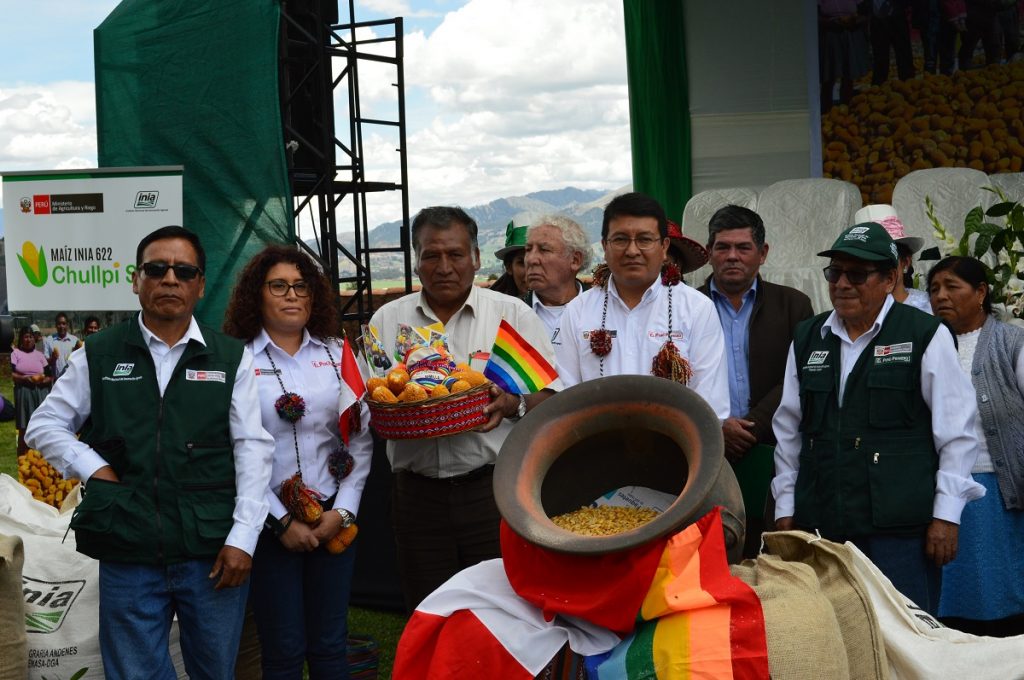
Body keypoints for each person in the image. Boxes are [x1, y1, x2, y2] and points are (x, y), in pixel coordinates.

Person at [26, 225, 275, 679]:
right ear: (136, 279)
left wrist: (243, 538)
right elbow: (44, 425)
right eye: (156, 269)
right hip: (129, 545)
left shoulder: (230, 357)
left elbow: (252, 449)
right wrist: (93, 466)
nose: (170, 279)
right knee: (134, 673)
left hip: (211, 549)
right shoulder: (99, 353)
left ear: (200, 285)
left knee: (215, 671)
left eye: (184, 271)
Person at [772, 222, 984, 615]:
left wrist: (946, 516)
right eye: (835, 273)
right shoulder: (808, 337)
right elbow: (788, 431)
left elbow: (957, 433)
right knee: (834, 631)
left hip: (900, 528)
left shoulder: (923, 333)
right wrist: (786, 507)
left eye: (857, 274)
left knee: (907, 633)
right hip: (823, 523)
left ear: (890, 279)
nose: (842, 284)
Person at [368, 206, 560, 611]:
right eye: (431, 256)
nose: (444, 267)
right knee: (430, 613)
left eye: (455, 254)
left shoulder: (511, 315)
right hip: (417, 498)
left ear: (475, 257)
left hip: (493, 493)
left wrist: (513, 403)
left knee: (504, 614)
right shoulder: (387, 320)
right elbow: (371, 396)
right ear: (416, 261)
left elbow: (550, 398)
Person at [224, 245, 373, 677]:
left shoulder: (337, 352)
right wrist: (281, 523)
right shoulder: (237, 359)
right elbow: (234, 450)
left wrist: (343, 511)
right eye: (278, 286)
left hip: (332, 518)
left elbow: (360, 438)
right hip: (270, 522)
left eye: (301, 286)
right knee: (283, 650)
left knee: (330, 646)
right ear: (257, 295)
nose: (291, 295)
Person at [696, 205, 814, 557]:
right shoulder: (687, 307)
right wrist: (717, 427)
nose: (732, 256)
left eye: (743, 247)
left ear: (762, 253)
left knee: (772, 553)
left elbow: (802, 372)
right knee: (710, 550)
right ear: (709, 252)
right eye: (722, 247)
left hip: (775, 449)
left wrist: (749, 427)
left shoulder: (793, 305)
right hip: (705, 450)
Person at [555, 192, 729, 420]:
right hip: (596, 439)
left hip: (675, 440)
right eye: (620, 239)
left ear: (664, 247)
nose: (632, 251)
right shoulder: (578, 311)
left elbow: (709, 405)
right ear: (605, 246)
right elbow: (565, 398)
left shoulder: (697, 309)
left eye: (645, 240)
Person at [928, 256, 1024, 636]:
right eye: (934, 289)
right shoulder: (925, 342)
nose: (941, 296)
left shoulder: (1011, 342)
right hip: (940, 492)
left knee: (1001, 599)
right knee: (946, 605)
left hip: (998, 492)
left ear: (981, 292)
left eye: (952, 287)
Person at [523, 215, 591, 343]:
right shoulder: (512, 314)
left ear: (575, 260)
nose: (531, 259)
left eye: (544, 250)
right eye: (528, 249)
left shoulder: (602, 310)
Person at [855, 204, 931, 313]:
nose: (874, 267)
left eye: (884, 257)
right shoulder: (851, 312)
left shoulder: (929, 308)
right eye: (864, 260)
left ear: (906, 262)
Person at [11, 326, 52, 456]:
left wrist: (42, 381)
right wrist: (25, 378)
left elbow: (50, 376)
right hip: (23, 392)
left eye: (30, 337)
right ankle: (22, 455)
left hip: (40, 392)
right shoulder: (16, 353)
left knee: (40, 426)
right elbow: (11, 374)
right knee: (24, 426)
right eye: (25, 337)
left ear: (34, 339)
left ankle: (41, 456)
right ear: (21, 339)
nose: (28, 339)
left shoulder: (40, 355)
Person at [489, 220, 528, 297]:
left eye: (537, 263)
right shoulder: (493, 302)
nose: (531, 272)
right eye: (522, 263)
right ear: (509, 267)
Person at [42, 311, 78, 379]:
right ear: (56, 325)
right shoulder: (49, 340)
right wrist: (53, 358)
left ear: (67, 325)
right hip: (56, 380)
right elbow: (45, 363)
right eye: (59, 324)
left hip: (72, 379)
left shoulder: (75, 340)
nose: (61, 326)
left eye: (64, 323)